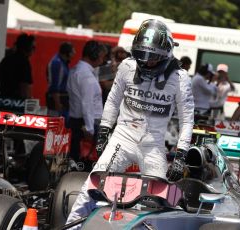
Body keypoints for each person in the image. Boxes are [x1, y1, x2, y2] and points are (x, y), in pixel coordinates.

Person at [66, 19, 194, 228]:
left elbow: (187, 121)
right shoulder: (127, 66)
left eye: (152, 55)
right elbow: (113, 100)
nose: (146, 60)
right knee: (92, 184)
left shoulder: (180, 79)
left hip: (152, 145)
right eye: (142, 53)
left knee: (159, 199)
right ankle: (72, 227)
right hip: (122, 137)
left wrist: (181, 155)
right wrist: (105, 130)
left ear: (166, 52)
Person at [66, 40, 106, 163]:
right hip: (86, 124)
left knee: (78, 158)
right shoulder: (85, 75)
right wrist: (90, 129)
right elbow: (87, 103)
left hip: (79, 122)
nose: (102, 59)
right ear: (93, 55)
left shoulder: (78, 70)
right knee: (85, 161)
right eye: (101, 55)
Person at [0, 33, 35, 99]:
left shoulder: (6, 60)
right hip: (17, 102)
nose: (34, 50)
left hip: (2, 99)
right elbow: (24, 86)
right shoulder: (24, 63)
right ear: (28, 48)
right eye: (33, 47)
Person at [46, 42, 75, 116]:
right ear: (67, 52)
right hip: (56, 101)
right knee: (55, 122)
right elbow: (54, 85)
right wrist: (57, 103)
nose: (74, 53)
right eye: (72, 51)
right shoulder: (57, 63)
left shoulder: (63, 62)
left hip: (62, 100)